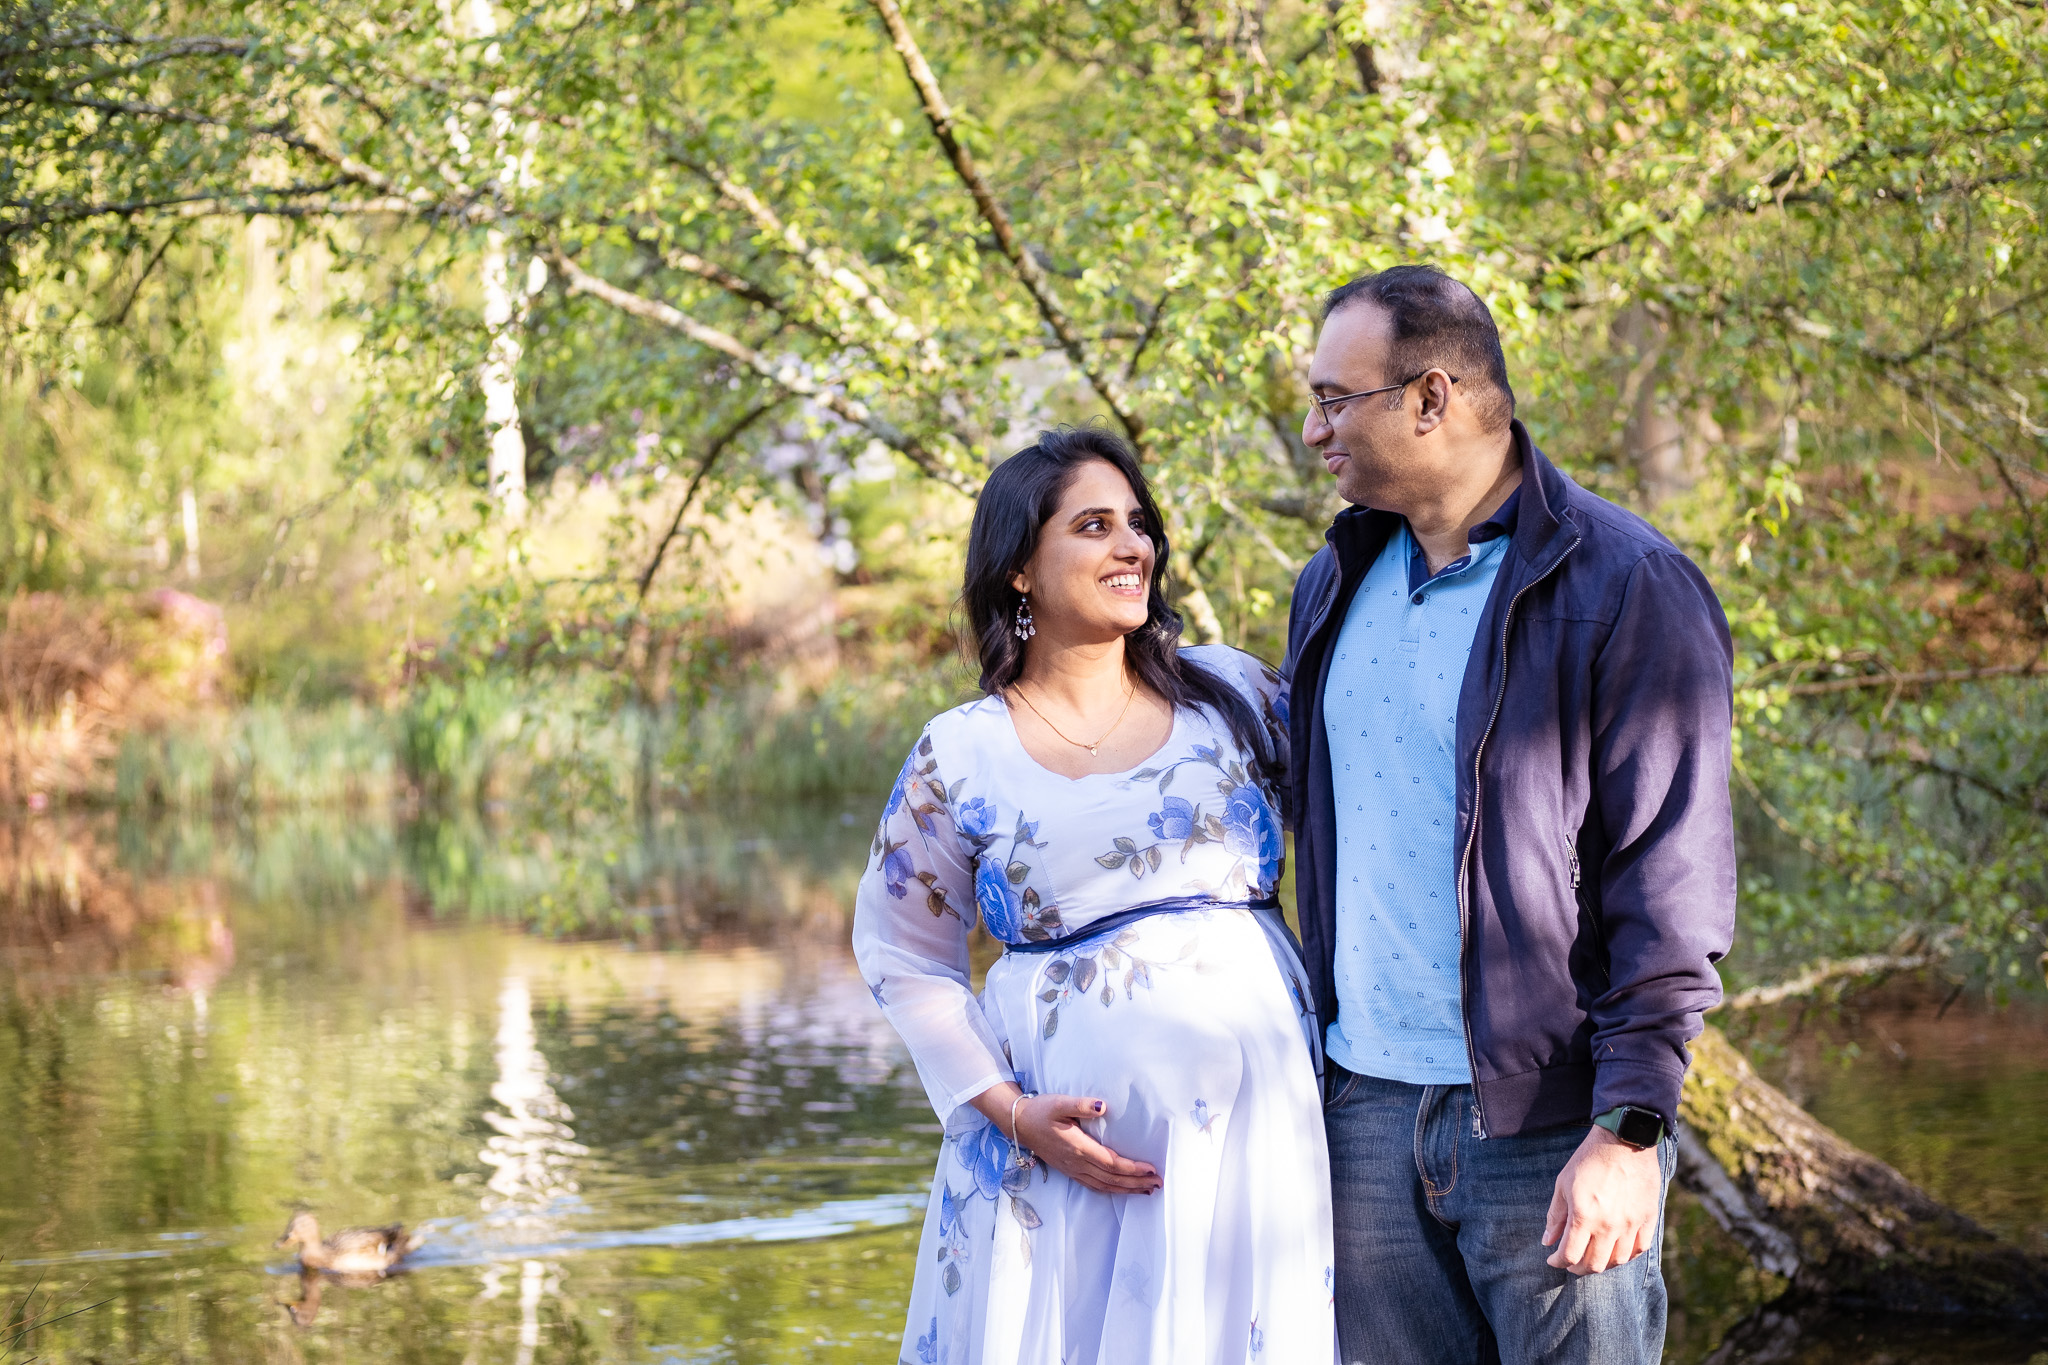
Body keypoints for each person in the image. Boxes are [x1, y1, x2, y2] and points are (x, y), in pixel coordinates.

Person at [1283, 265, 1736, 1365]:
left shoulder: (1626, 584)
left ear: (1429, 398)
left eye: (1334, 399)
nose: (1312, 429)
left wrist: (1629, 1127)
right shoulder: (1332, 580)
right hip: (1362, 1113)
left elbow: (1671, 884)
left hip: (1551, 1127)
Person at [853, 426, 1337, 1365]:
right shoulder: (961, 751)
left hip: (1255, 1138)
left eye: (1138, 523)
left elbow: (1354, 832)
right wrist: (1008, 1110)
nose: (1132, 546)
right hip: (1053, 1160)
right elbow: (901, 953)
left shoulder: (1230, 692)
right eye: (1094, 525)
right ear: (1019, 569)